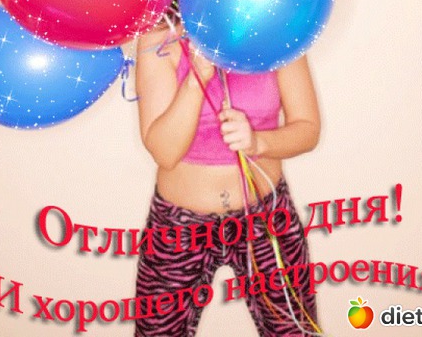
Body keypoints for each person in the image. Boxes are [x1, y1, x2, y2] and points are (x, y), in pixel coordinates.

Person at [133, 19, 321, 337]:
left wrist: (259, 142)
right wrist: (196, 81)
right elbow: (164, 152)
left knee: (294, 331)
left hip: (265, 220)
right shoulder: (160, 38)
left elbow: (308, 129)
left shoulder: (279, 25)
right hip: (179, 228)